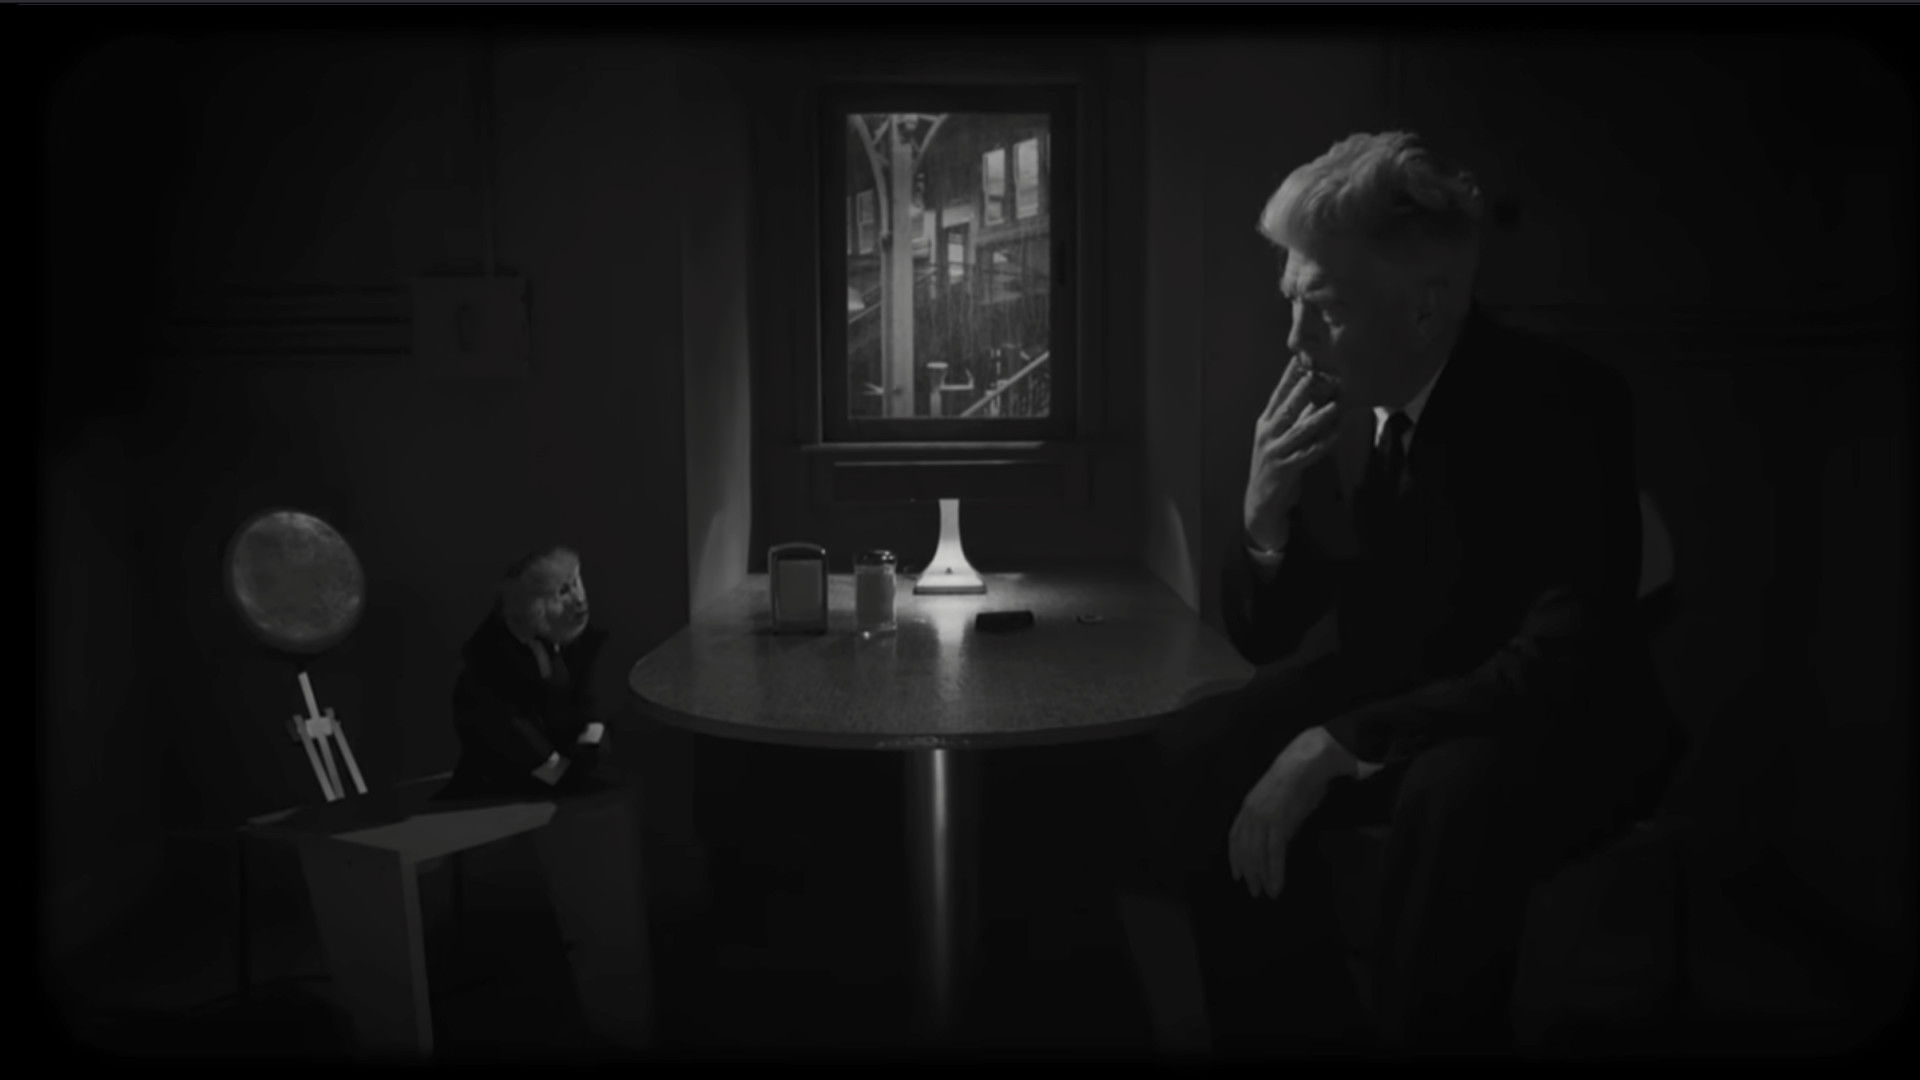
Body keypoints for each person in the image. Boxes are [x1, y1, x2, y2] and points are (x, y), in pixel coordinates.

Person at [1116, 131, 1683, 1054]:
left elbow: (1557, 660)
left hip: (1555, 718)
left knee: (1451, 798)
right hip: (1402, 692)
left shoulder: (1568, 405)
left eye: (1325, 309)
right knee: (1199, 751)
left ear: (1427, 307)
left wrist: (1342, 742)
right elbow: (1269, 635)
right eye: (1290, 301)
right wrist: (1264, 519)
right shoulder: (1337, 398)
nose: (1295, 341)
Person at [438, 544, 617, 800]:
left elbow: (590, 694)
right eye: (563, 591)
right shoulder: (488, 662)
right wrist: (564, 774)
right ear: (528, 607)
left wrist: (591, 739)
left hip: (568, 764)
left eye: (576, 582)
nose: (579, 598)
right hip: (510, 780)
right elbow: (510, 729)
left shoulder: (570, 635)